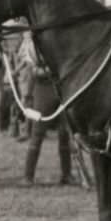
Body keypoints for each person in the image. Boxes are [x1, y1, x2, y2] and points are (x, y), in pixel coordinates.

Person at [19, 32, 75, 186]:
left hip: (61, 88)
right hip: (43, 88)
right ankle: (28, 176)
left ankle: (67, 174)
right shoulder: (33, 43)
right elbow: (33, 68)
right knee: (37, 133)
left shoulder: (60, 38)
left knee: (64, 133)